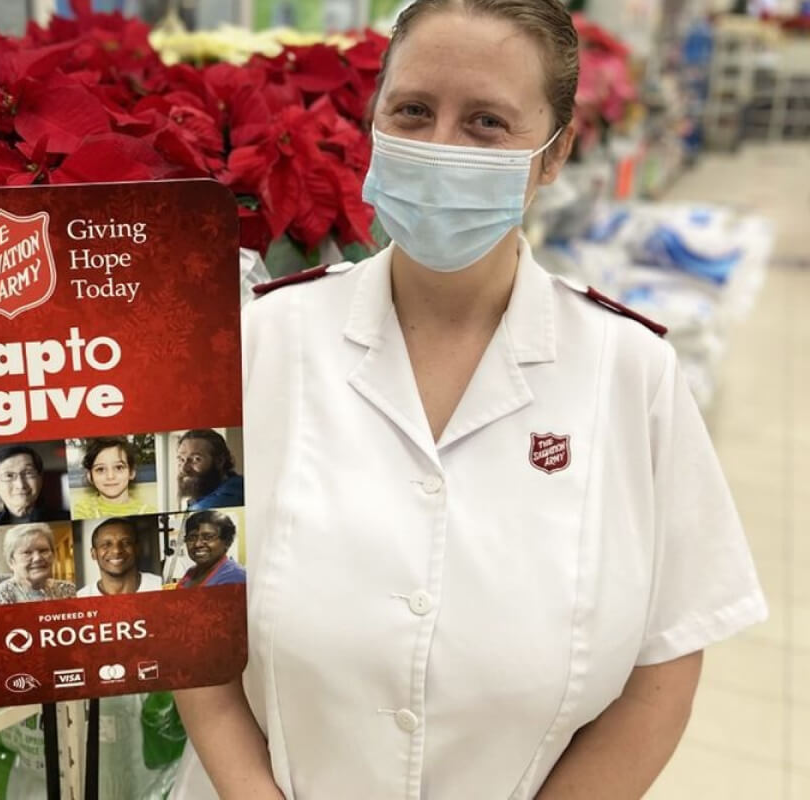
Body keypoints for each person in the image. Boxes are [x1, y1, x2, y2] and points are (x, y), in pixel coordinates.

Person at [172, 2, 766, 799]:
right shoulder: (261, 343)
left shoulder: (631, 375)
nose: (441, 146)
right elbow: (188, 602)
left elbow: (664, 668)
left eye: (487, 122)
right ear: (374, 121)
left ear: (552, 158)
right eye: (413, 111)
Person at [0, 523, 77, 604]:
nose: (38, 558)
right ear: (11, 561)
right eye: (27, 552)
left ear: (53, 555)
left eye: (43, 550)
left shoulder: (69, 589)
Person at [77, 518, 164, 597]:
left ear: (137, 549)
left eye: (126, 543)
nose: (117, 550)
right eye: (106, 545)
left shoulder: (161, 586)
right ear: (93, 554)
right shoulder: (81, 597)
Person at [73, 437, 157, 519]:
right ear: (90, 476)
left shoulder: (149, 511)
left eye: (119, 467)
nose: (110, 476)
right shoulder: (82, 511)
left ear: (131, 472)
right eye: (100, 469)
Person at [0, 445, 65, 526]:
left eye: (28, 473)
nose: (20, 485)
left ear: (40, 479)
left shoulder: (64, 518)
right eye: (9, 475)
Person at [176, 430, 244, 510]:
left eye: (196, 459)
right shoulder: (234, 483)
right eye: (181, 459)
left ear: (219, 461)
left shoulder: (213, 505)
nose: (184, 468)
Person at [176, 511, 245, 589]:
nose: (197, 544)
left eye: (208, 537)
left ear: (227, 542)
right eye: (192, 537)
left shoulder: (235, 577)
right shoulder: (191, 573)